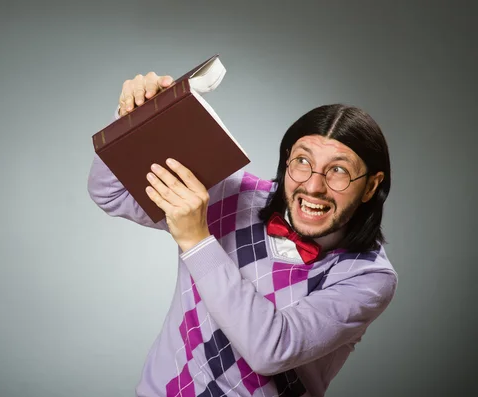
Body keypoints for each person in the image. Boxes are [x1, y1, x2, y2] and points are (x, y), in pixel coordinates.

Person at [87, 71, 398, 397]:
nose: (313, 185)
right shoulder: (231, 195)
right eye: (302, 161)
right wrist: (131, 121)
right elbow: (111, 194)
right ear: (286, 161)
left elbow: (271, 349)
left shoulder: (369, 277)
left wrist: (196, 241)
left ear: (371, 186)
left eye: (338, 170)